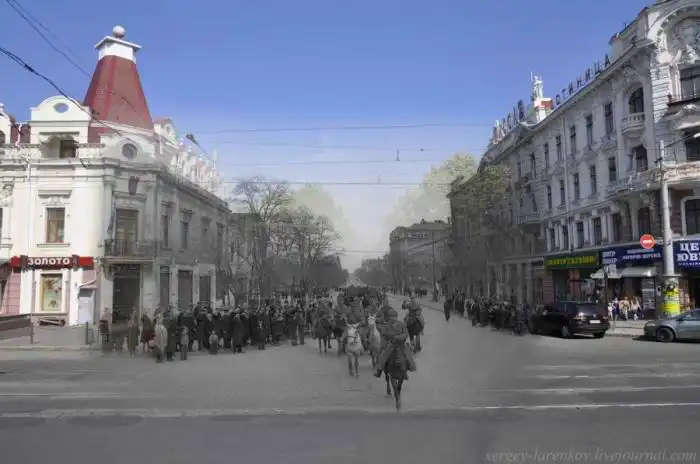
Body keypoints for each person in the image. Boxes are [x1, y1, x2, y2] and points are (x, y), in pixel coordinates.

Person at [373, 308, 416, 379]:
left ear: (396, 317)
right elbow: (385, 335)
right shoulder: (387, 326)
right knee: (384, 354)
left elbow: (406, 334)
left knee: (408, 353)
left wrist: (398, 337)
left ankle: (410, 368)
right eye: (391, 318)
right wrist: (388, 336)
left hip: (401, 343)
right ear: (389, 318)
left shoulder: (402, 324)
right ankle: (379, 370)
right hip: (392, 344)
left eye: (394, 317)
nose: (393, 319)